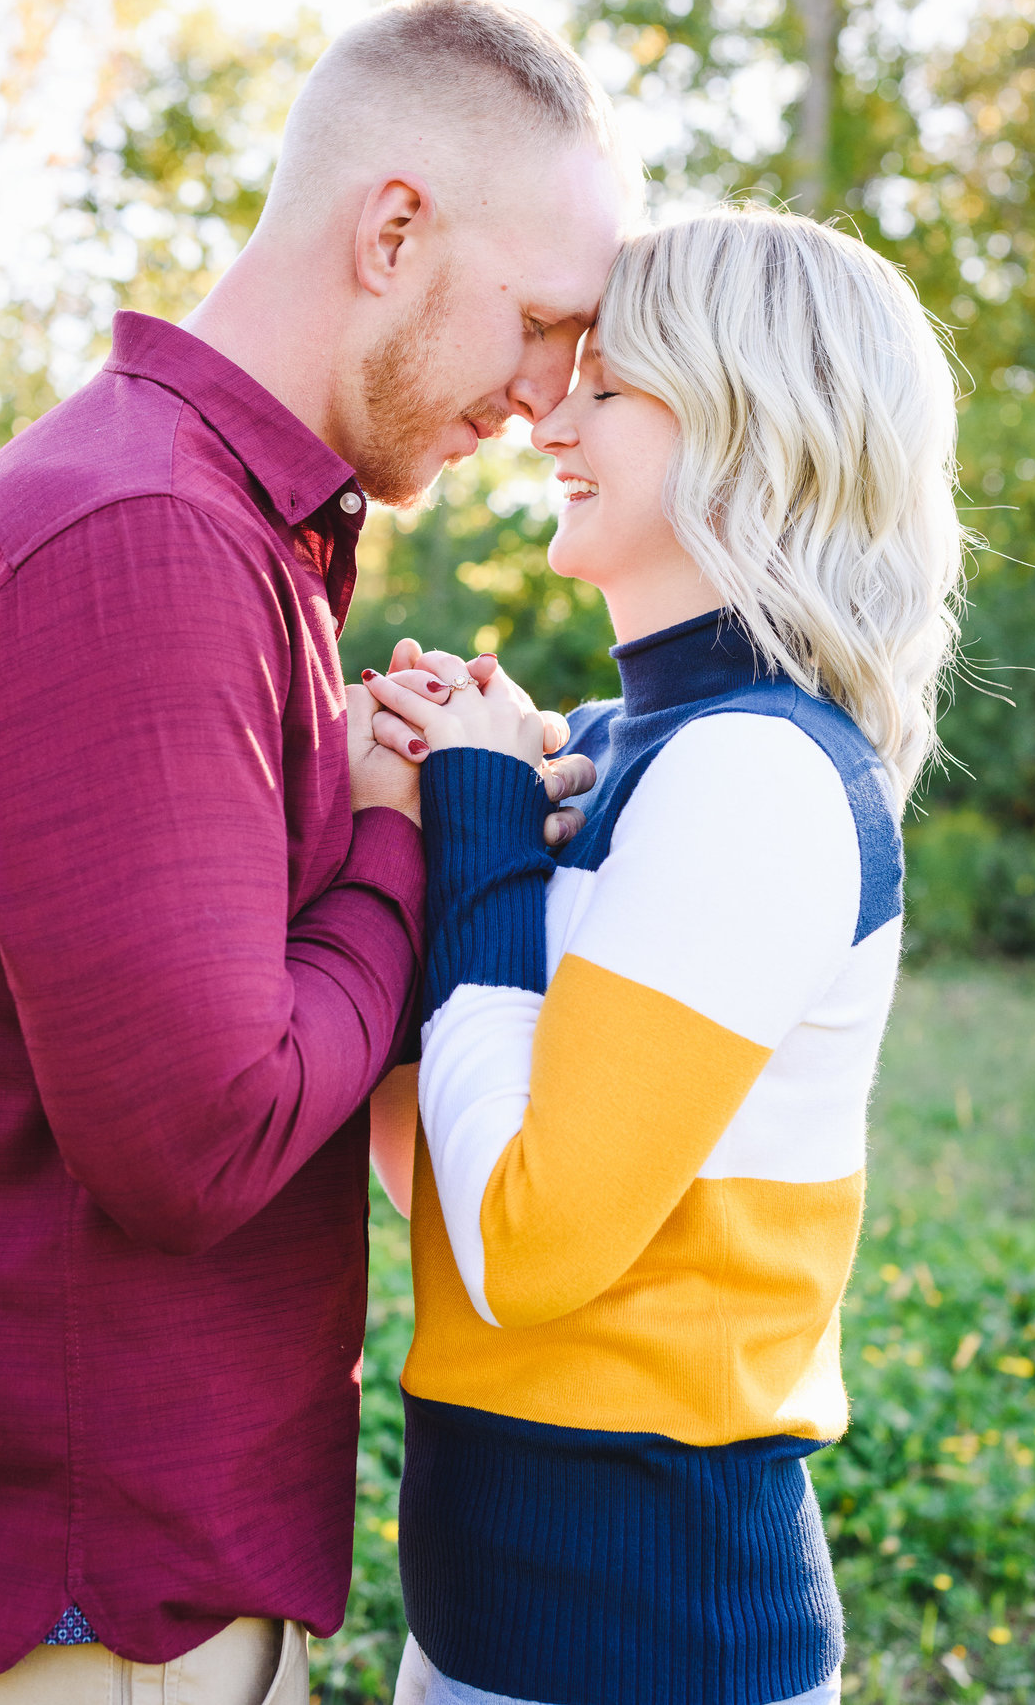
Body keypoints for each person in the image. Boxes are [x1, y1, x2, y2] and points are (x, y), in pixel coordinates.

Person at [0, 0, 634, 1702]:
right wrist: (395, 837)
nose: (545, 393)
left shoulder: (223, 535)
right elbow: (197, 1141)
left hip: (122, 1590)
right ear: (396, 228)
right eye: (539, 321)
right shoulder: (141, 538)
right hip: (72, 1620)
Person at [362, 205, 965, 1705]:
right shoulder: (632, 753)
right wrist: (421, 836)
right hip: (488, 1624)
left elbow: (529, 1247)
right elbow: (449, 1170)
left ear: (756, 431)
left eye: (612, 388)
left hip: (646, 1647)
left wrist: (489, 821)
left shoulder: (754, 773)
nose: (550, 415)